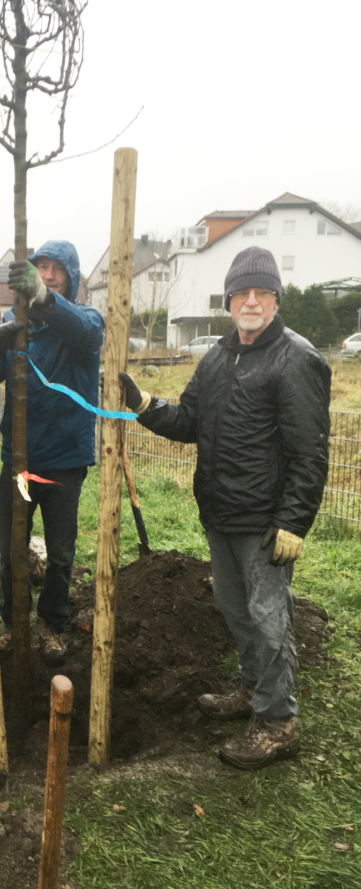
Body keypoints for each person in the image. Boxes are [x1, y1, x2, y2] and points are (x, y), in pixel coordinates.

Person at [119, 246, 331, 770]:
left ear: (276, 300)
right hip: (220, 511)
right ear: (230, 301)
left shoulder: (297, 359)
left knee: (268, 617)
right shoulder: (217, 357)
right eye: (242, 292)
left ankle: (278, 723)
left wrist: (293, 520)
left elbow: (310, 451)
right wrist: (143, 404)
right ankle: (253, 692)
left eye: (262, 292)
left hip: (265, 523)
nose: (252, 301)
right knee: (237, 612)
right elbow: (189, 419)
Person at [0, 241, 105, 665]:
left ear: (71, 277)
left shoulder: (85, 320)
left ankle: (51, 625)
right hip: (19, 462)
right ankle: (14, 624)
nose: (48, 275)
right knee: (11, 550)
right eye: (41, 268)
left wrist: (46, 299)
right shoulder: (14, 322)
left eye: (57, 270)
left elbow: (86, 335)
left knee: (61, 553)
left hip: (65, 460)